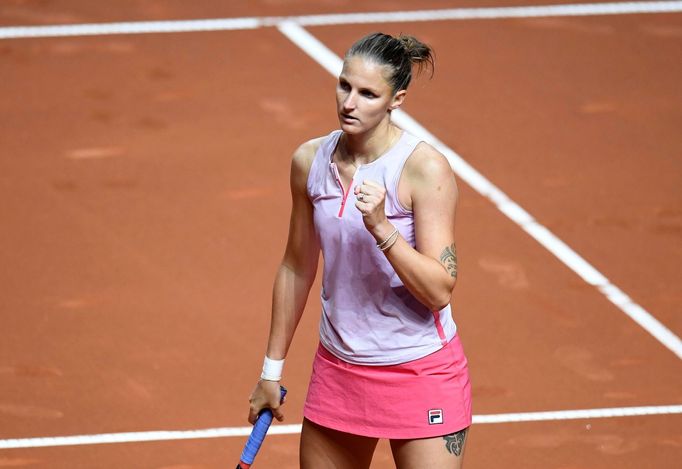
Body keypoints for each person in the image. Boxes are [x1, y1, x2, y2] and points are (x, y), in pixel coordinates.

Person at [248, 32, 472, 469]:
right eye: (345, 86)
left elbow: (439, 291)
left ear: (397, 98)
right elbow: (297, 266)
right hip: (339, 370)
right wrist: (271, 371)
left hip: (420, 370)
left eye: (369, 93)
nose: (350, 103)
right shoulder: (309, 161)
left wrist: (383, 228)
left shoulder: (424, 169)